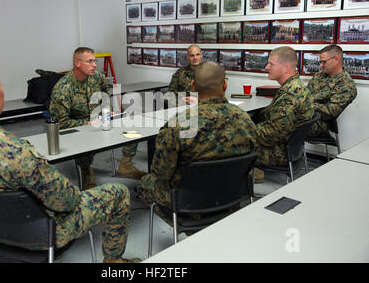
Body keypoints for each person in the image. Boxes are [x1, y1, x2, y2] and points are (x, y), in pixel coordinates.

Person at [0, 64, 140, 263]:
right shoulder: (15, 151)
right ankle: (114, 260)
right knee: (119, 192)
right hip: (39, 232)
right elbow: (66, 201)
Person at [138, 61, 257, 216]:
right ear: (225, 85)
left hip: (188, 202)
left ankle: (190, 227)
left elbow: (161, 173)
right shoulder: (245, 119)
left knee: (145, 183)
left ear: (193, 87)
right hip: (232, 195)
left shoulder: (178, 124)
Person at [49, 47, 146, 190]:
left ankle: (126, 164)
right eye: (90, 61)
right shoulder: (63, 88)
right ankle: (86, 173)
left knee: (132, 124)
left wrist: (107, 111)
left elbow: (105, 95)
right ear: (77, 63)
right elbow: (60, 124)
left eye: (95, 61)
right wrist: (87, 123)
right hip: (77, 128)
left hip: (99, 121)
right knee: (83, 138)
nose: (95, 65)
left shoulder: (98, 77)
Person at [253, 46, 314, 183]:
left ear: (286, 68)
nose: (266, 67)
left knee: (229, 139)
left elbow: (270, 136)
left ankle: (246, 176)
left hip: (278, 153)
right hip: (291, 149)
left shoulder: (289, 94)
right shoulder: (295, 86)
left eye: (271, 64)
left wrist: (243, 126)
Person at [307, 45, 357, 138]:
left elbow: (330, 112)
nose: (321, 65)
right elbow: (305, 94)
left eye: (324, 61)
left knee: (282, 123)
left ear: (336, 59)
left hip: (318, 124)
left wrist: (305, 105)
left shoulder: (346, 85)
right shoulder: (319, 76)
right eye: (320, 61)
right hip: (304, 115)